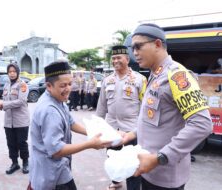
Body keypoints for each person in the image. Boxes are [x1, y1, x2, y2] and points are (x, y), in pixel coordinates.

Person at [121, 23, 213, 190]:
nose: (134, 53)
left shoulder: (176, 75)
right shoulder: (155, 74)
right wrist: (132, 134)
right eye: (132, 48)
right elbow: (154, 118)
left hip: (165, 175)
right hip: (149, 171)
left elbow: (202, 124)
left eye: (138, 46)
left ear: (157, 44)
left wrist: (160, 157)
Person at [29, 60, 111, 190]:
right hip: (52, 172)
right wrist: (90, 144)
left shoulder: (57, 99)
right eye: (63, 85)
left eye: (70, 84)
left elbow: (70, 122)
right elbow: (56, 151)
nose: (68, 89)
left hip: (58, 167)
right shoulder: (50, 110)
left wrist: (91, 133)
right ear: (49, 86)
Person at [96, 45, 147, 190]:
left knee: (132, 161)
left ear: (127, 59)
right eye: (113, 58)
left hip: (132, 129)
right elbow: (101, 106)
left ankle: (133, 188)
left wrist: (142, 128)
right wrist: (98, 126)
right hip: (112, 128)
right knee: (113, 158)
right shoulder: (108, 80)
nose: (115, 61)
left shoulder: (139, 79)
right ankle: (116, 182)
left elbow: (145, 107)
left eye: (118, 58)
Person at [0, 63, 30, 175]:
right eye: (10, 72)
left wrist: (3, 104)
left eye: (14, 71)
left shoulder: (22, 85)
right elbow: (5, 102)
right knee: (11, 143)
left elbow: (21, 101)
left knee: (21, 143)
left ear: (17, 72)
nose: (12, 73)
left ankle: (25, 163)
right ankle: (14, 163)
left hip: (21, 121)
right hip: (8, 122)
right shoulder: (6, 85)